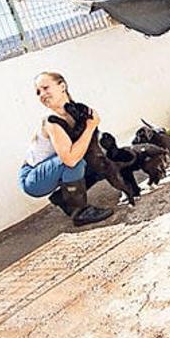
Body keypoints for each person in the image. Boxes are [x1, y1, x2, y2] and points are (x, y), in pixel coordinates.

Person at [18, 72, 113, 227]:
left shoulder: (76, 110)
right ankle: (80, 212)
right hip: (33, 179)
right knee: (73, 162)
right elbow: (69, 159)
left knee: (100, 160)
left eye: (45, 88)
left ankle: (62, 198)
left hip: (51, 169)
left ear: (62, 86)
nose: (42, 94)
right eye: (38, 92)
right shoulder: (52, 120)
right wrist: (90, 126)